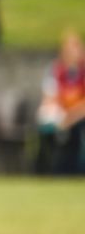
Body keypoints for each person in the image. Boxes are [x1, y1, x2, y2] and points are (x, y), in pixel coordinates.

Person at [36, 28, 85, 174]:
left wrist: (71, 117)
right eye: (68, 49)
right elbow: (49, 97)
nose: (72, 53)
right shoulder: (56, 70)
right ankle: (47, 168)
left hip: (78, 116)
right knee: (46, 121)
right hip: (63, 115)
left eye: (75, 48)